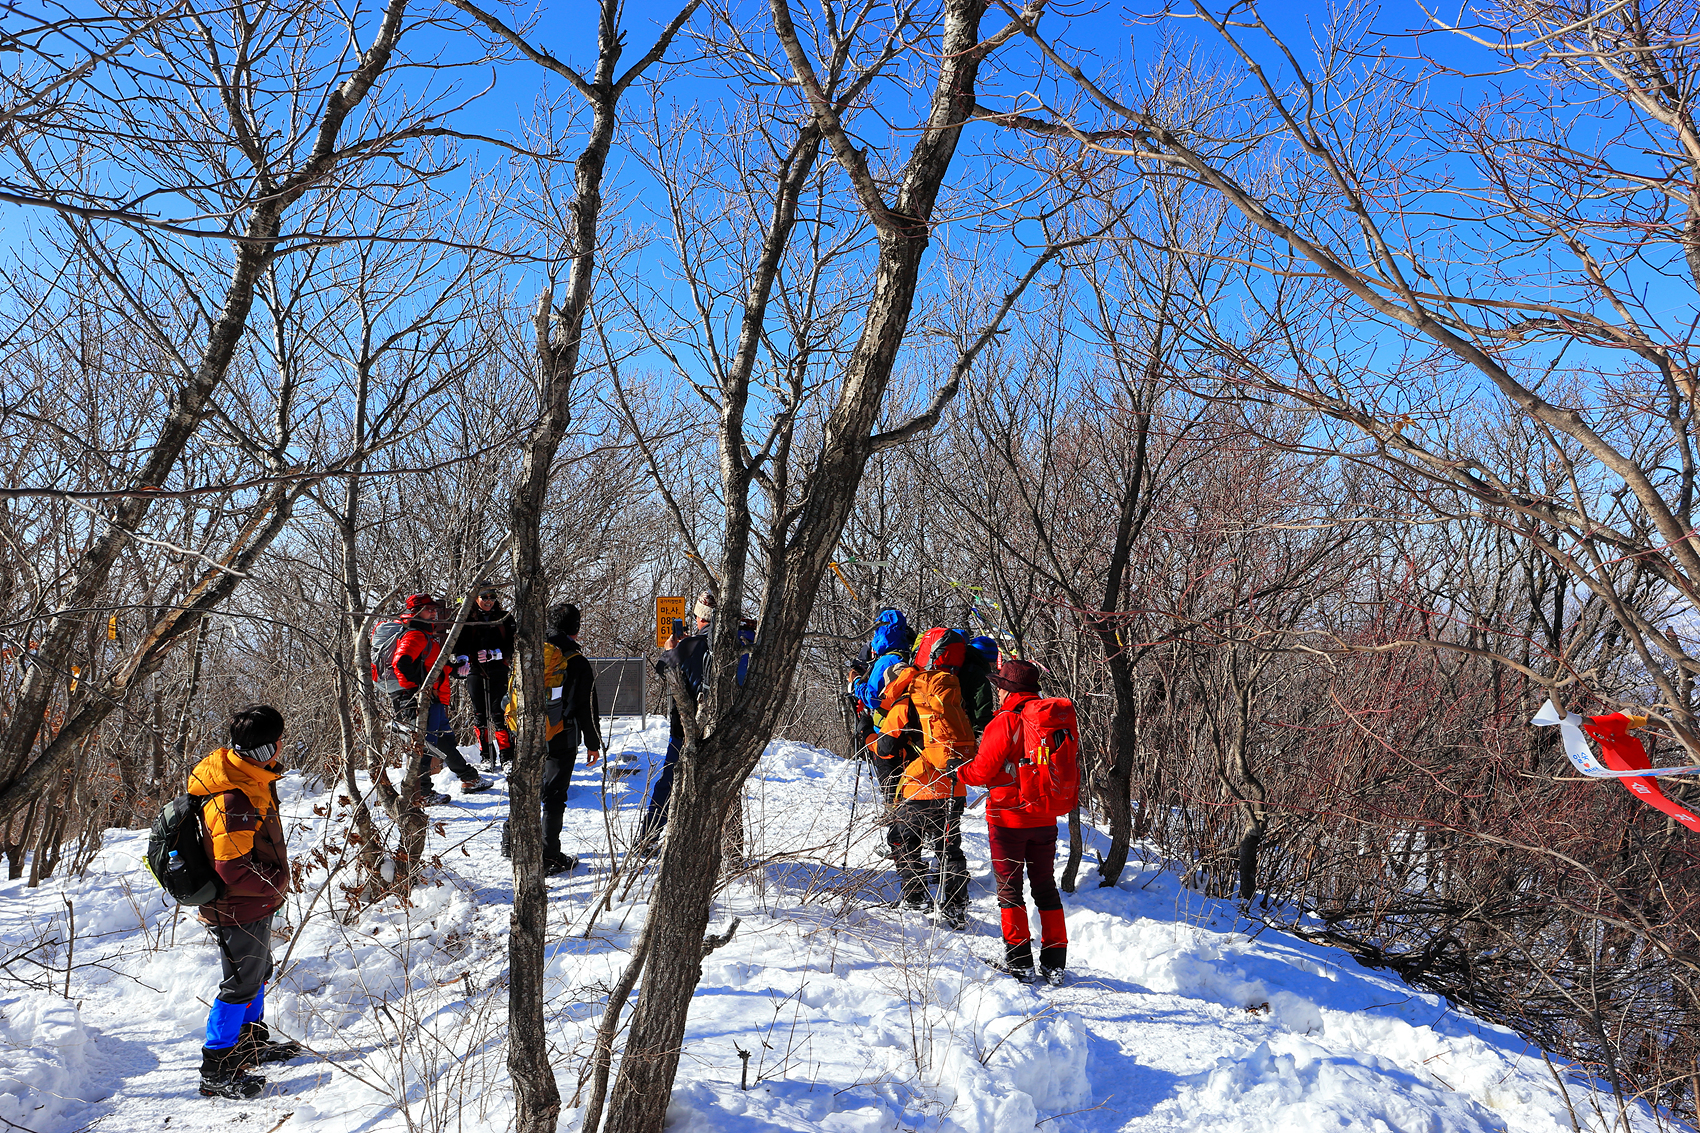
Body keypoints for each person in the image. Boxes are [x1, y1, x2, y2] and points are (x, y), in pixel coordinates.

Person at [187, 705, 304, 1099]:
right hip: (238, 906)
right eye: (279, 740)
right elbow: (231, 869)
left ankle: (249, 1043)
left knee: (256, 973)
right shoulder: (234, 798)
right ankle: (216, 1067)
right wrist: (277, 881)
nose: (282, 745)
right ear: (269, 748)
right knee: (239, 984)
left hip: (253, 902)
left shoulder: (250, 777)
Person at [957, 658, 1069, 984]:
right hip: (1045, 815)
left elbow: (981, 772)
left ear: (1007, 690)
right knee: (1045, 887)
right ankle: (1055, 963)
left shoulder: (1005, 721)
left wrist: (959, 771)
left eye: (1000, 687)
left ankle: (1020, 962)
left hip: (1008, 819)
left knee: (1010, 890)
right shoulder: (1050, 720)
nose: (998, 693)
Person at [880, 627, 976, 929]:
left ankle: (915, 898)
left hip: (919, 787)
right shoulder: (955, 695)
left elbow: (885, 747)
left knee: (904, 841)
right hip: (954, 784)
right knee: (949, 848)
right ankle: (956, 907)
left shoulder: (910, 699)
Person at [503, 602, 602, 874]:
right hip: (562, 734)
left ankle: (511, 840)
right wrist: (593, 743)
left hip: (525, 732)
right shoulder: (577, 661)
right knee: (554, 795)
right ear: (576, 628)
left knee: (526, 787)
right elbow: (586, 707)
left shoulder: (529, 652)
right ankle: (549, 855)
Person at [389, 593, 492, 802]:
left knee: (444, 741)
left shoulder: (425, 636)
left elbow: (433, 666)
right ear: (416, 612)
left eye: (434, 609)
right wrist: (420, 690)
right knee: (426, 746)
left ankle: (469, 778)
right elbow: (401, 664)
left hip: (432, 699)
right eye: (428, 609)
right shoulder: (415, 635)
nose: (433, 613)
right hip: (421, 699)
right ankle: (422, 793)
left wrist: (454, 670)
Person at [639, 591, 714, 849]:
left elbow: (663, 667)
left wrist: (671, 649)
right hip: (721, 727)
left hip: (686, 728)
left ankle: (649, 838)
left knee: (668, 782)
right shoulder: (728, 643)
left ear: (700, 618)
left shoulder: (691, 645)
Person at [452, 584, 515, 772]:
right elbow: (459, 642)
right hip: (475, 670)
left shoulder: (504, 617)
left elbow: (513, 643)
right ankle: (486, 756)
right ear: (476, 598)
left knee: (499, 713)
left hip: (498, 669)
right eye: (484, 597)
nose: (489, 601)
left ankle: (507, 757)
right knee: (480, 715)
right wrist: (463, 659)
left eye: (492, 597)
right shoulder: (466, 618)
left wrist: (495, 654)